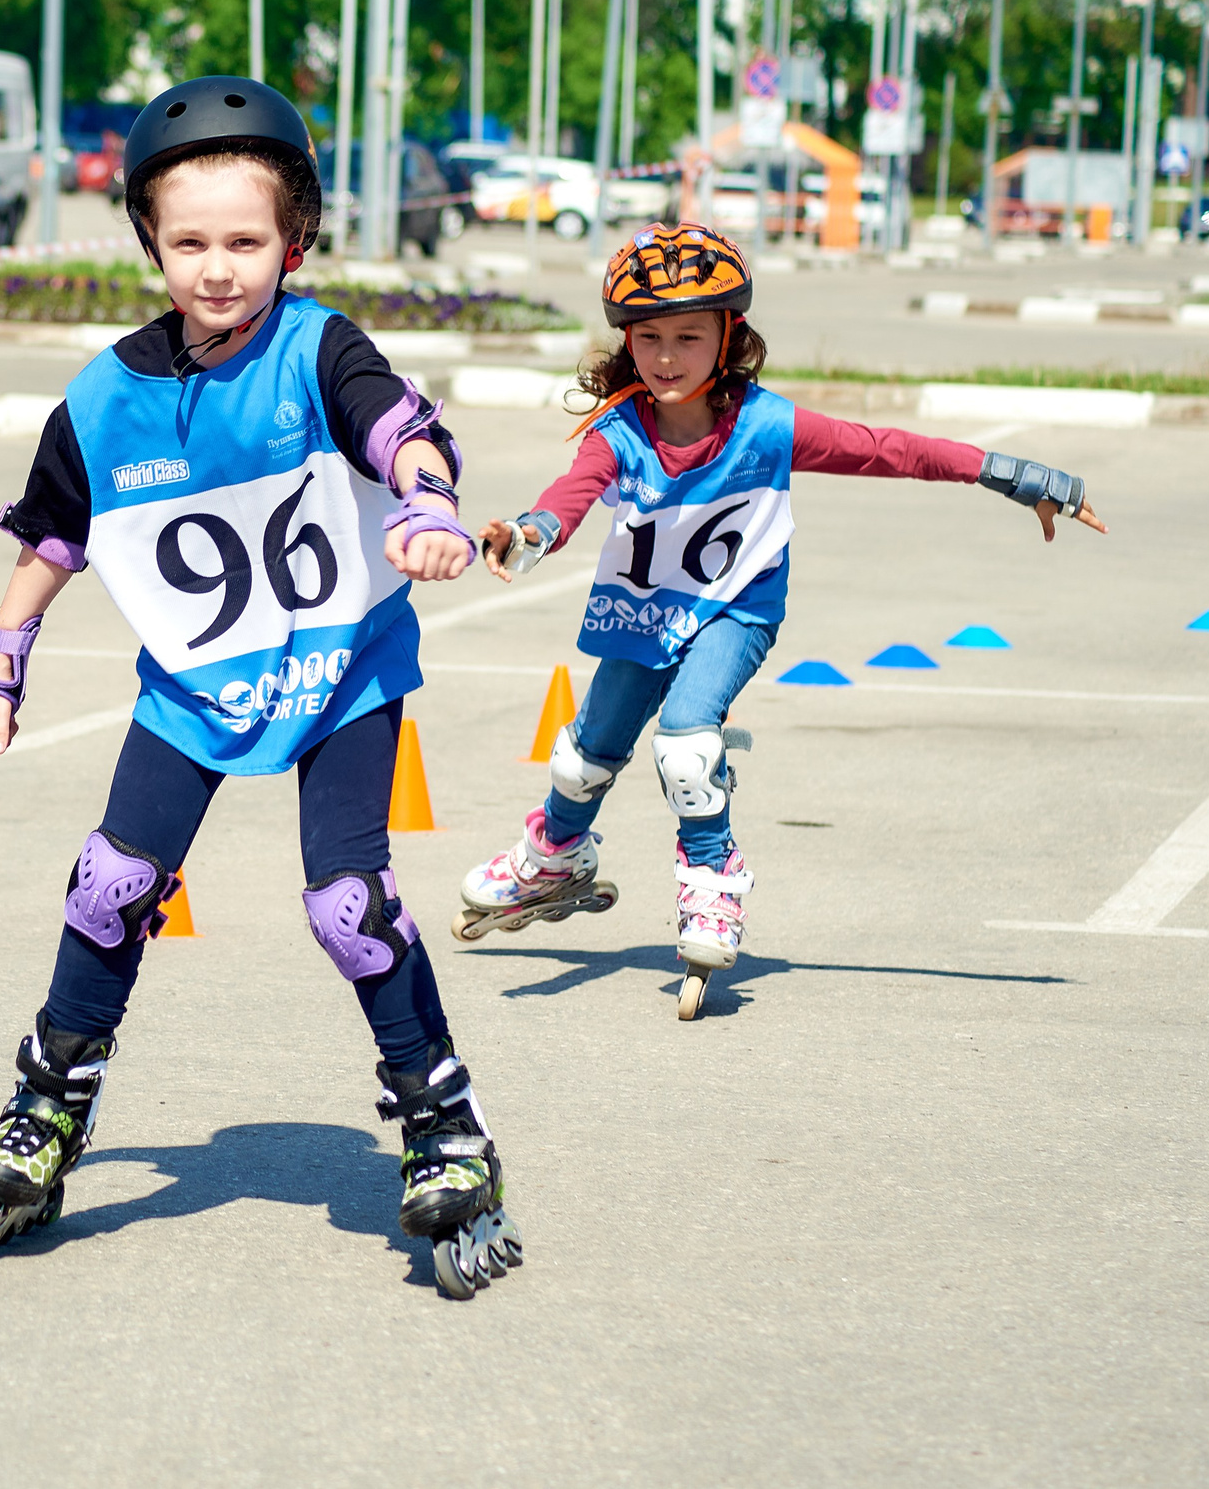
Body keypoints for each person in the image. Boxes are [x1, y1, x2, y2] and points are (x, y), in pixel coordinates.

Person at [0, 77, 521, 1298]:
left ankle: (442, 1122)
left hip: (341, 664)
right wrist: (4, 652)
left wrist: (424, 497)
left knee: (347, 901)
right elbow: (54, 537)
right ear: (150, 239)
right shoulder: (104, 398)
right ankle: (48, 1105)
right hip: (198, 684)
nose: (218, 269)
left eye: (246, 241)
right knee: (112, 882)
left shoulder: (319, 346)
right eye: (191, 241)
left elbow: (390, 425)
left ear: (293, 242)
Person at [456, 223, 1108, 1018]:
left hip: (737, 609)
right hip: (644, 612)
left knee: (688, 746)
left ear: (730, 335)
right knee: (582, 757)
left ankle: (712, 883)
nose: (666, 357)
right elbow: (569, 494)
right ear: (626, 342)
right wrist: (528, 534)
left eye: (689, 336)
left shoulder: (768, 426)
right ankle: (554, 856)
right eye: (649, 337)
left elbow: (888, 449)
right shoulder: (619, 432)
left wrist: (1012, 474)